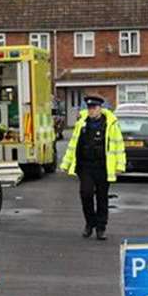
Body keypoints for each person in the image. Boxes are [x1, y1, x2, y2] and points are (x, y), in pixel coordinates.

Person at [60, 95, 126, 241]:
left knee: (102, 198)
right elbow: (73, 145)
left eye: (94, 108)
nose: (91, 111)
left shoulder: (111, 124)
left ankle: (101, 228)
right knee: (86, 194)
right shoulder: (82, 124)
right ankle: (90, 223)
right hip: (85, 166)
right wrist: (66, 163)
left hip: (103, 166)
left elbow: (118, 146)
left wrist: (120, 165)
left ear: (100, 109)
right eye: (89, 108)